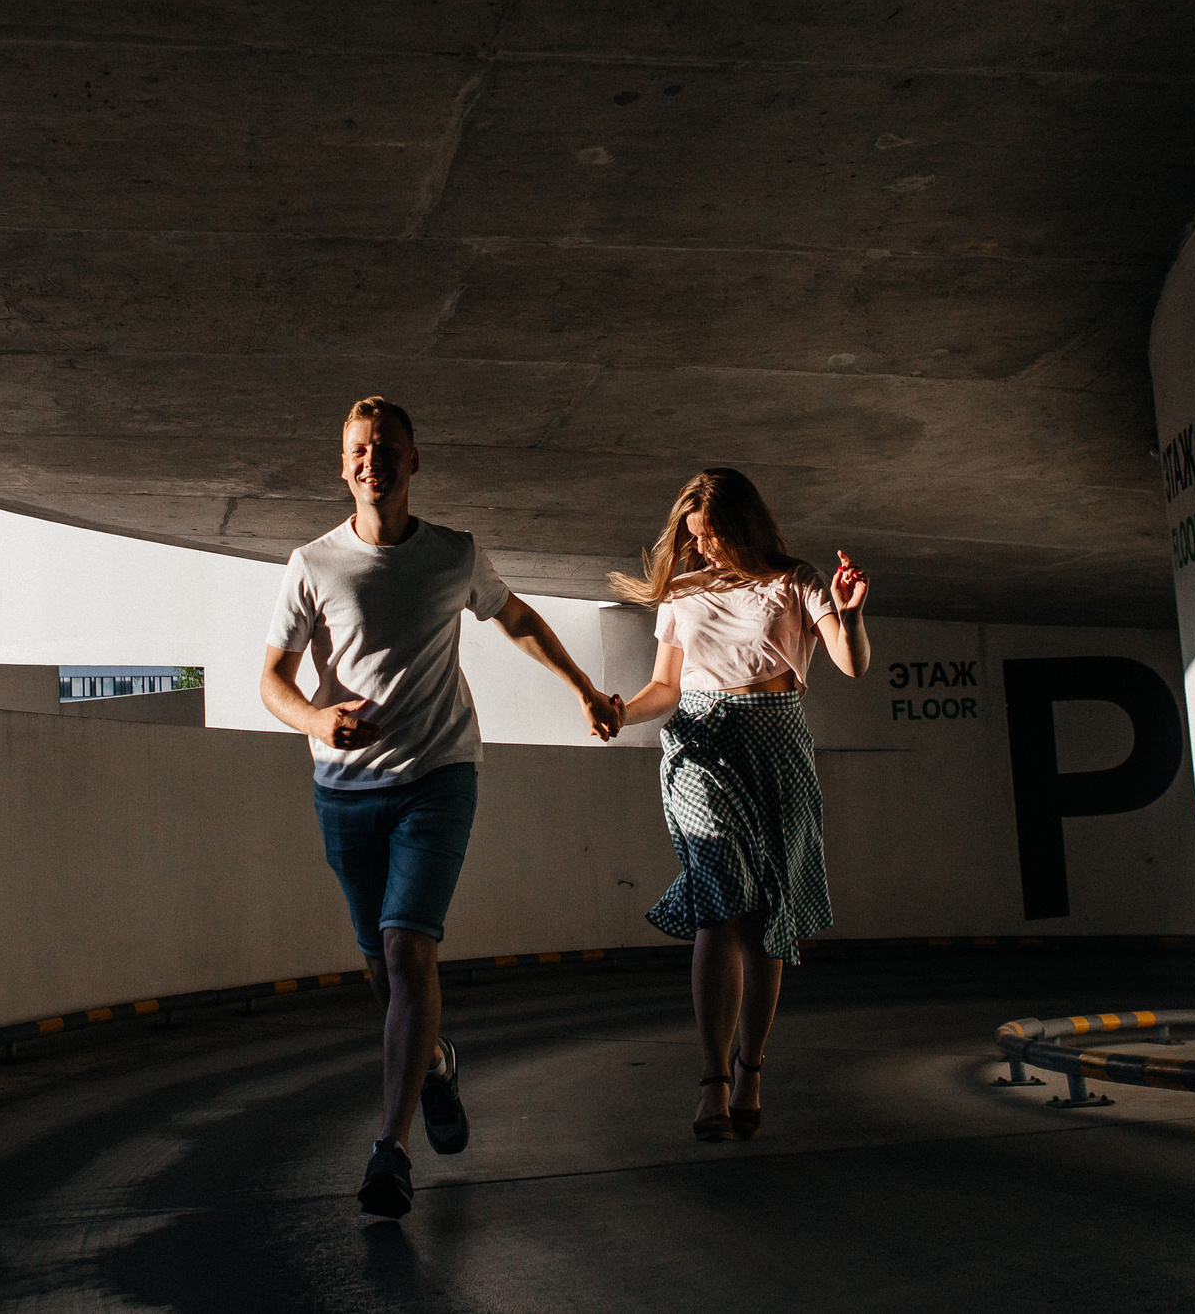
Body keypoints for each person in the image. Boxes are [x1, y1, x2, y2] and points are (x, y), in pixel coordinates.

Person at [261, 395, 621, 1219]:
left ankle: (390, 1149)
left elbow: (516, 615)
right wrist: (316, 717)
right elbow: (271, 679)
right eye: (358, 448)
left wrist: (583, 688)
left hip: (437, 774)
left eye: (386, 446)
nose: (371, 460)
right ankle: (434, 1067)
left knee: (406, 945)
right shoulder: (311, 564)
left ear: (414, 460)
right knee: (379, 969)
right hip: (344, 790)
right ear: (342, 462)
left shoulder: (454, 554)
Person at [605, 467, 870, 1142]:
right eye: (694, 539)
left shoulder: (795, 579)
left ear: (743, 524)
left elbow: (852, 661)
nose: (703, 551)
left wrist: (850, 613)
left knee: (761, 917)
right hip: (699, 742)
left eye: (713, 536)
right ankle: (711, 1078)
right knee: (718, 899)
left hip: (775, 742)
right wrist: (621, 711)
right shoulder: (682, 593)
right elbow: (664, 687)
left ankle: (751, 1066)